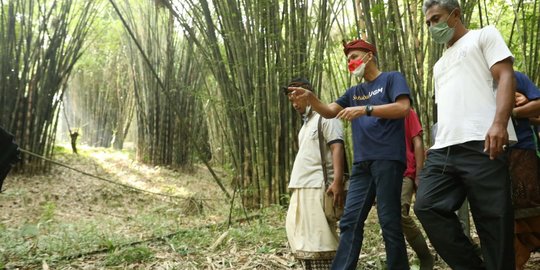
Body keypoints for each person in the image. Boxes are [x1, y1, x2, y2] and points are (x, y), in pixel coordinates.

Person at [289, 39, 411, 270]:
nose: (351, 63)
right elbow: (328, 111)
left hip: (387, 159)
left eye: (354, 57)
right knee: (350, 221)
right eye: (347, 60)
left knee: (389, 221)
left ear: (369, 55)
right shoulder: (354, 91)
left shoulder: (392, 78)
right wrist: (310, 98)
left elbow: (403, 108)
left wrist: (366, 109)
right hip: (362, 164)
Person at [415, 1, 517, 269]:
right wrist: (436, 141)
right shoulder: (438, 65)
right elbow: (447, 106)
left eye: (436, 18)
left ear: (455, 14)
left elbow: (506, 75)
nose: (432, 26)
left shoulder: (484, 35)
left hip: (483, 141)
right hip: (444, 148)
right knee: (426, 206)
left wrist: (499, 123)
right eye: (428, 23)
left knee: (493, 222)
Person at [284, 78, 346, 270]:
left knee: (321, 238)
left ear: (307, 94)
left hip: (317, 184)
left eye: (297, 99)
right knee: (300, 236)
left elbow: (337, 147)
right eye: (291, 101)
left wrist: (337, 181)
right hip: (302, 184)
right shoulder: (306, 125)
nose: (294, 104)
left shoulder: (327, 116)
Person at [508, 71, 540, 270]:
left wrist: (514, 111)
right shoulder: (470, 82)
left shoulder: (515, 77)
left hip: (522, 150)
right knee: (504, 209)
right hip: (489, 154)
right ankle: (514, 259)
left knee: (527, 203)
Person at [400, 108, 434, 270]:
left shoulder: (406, 111)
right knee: (390, 219)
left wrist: (419, 174)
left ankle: (425, 257)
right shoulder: (374, 112)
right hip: (385, 173)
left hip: (405, 170)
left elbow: (417, 141)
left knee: (400, 212)